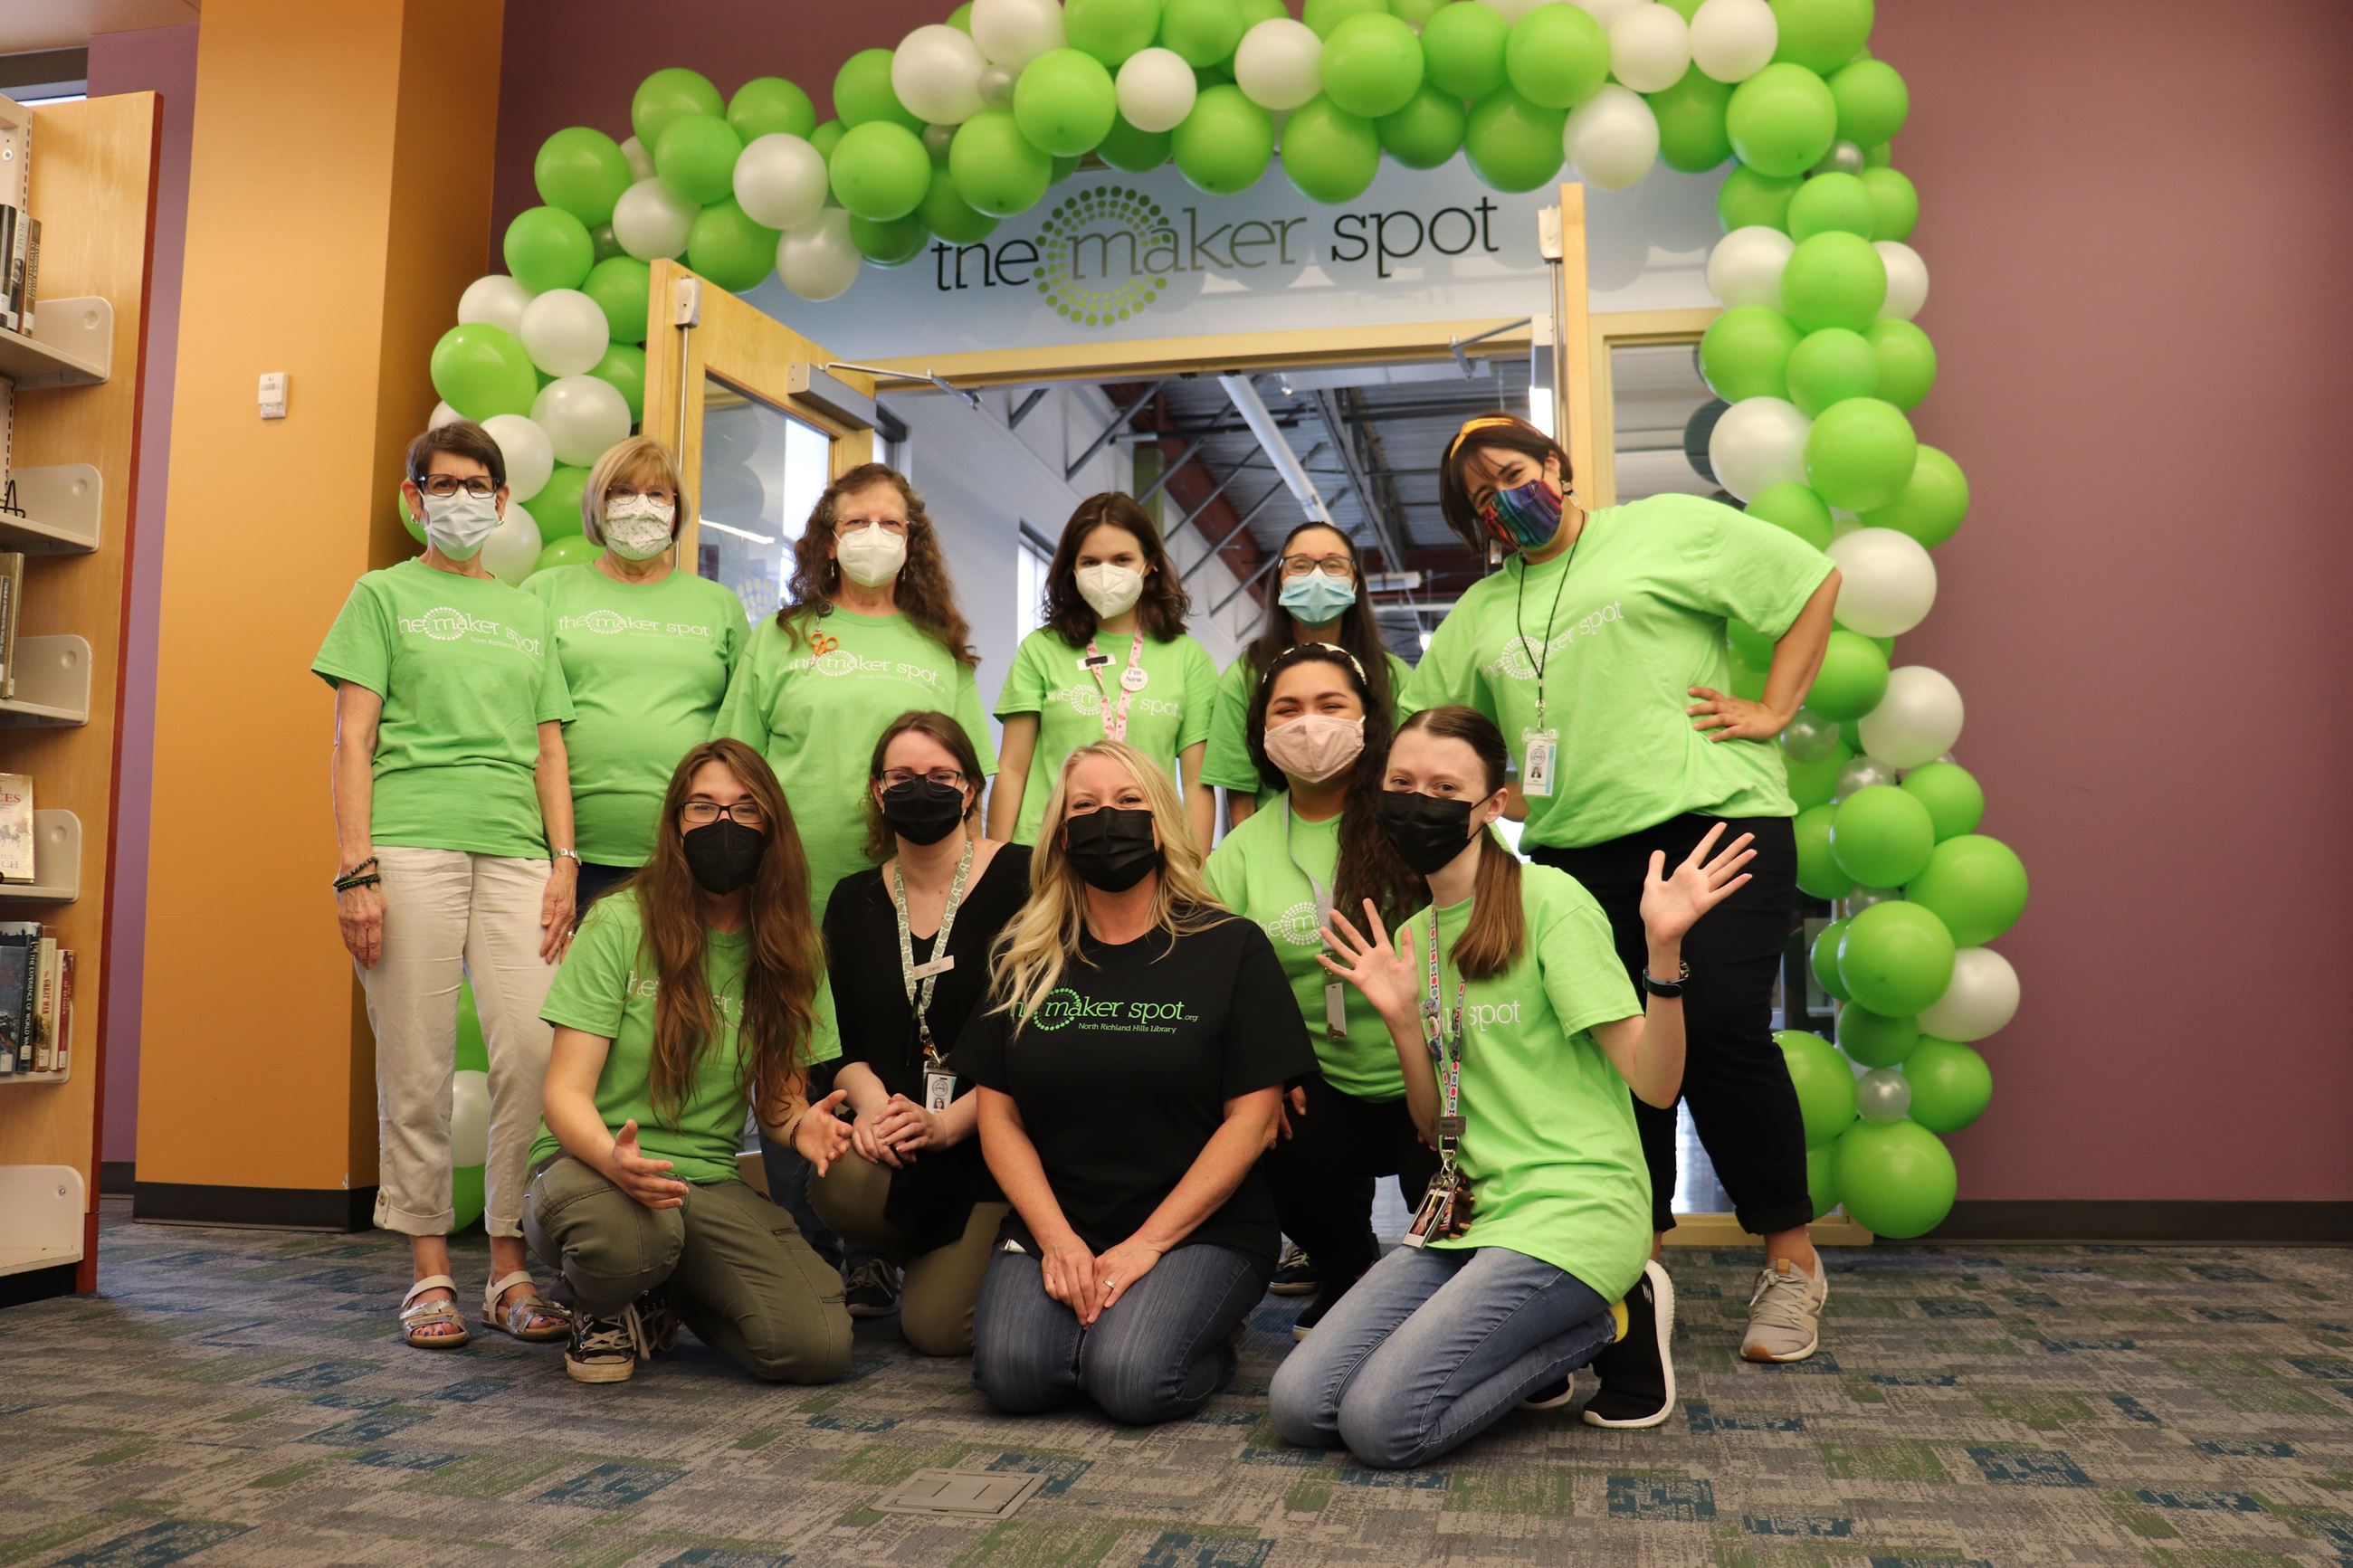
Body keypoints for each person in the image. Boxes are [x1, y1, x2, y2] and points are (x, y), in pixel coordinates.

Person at [1409, 413, 1842, 1383]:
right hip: (1569, 852)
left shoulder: (1659, 530)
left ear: (1557, 466)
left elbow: (1810, 579)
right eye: (1480, 498)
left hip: (1712, 818)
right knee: (1607, 1052)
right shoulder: (1482, 607)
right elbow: (1433, 721)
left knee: (1720, 1026)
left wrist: (1774, 707)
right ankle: (1628, 1262)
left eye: (1512, 474)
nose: (1502, 500)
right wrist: (1482, 787)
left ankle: (1789, 1257)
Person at [1270, 707, 1757, 1466]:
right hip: (1469, 1209)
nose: (1418, 801)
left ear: (1492, 805)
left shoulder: (1550, 901)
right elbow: (1433, 1126)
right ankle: (1534, 1344)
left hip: (1572, 1207)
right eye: (1401, 783)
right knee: (1300, 1406)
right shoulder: (1413, 938)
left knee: (1379, 1425)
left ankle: (1617, 1317)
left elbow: (1656, 1087)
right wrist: (1402, 1022)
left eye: (1443, 786)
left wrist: (1665, 953)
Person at [314, 420, 577, 1350]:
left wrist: (565, 862)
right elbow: (352, 738)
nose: (460, 497)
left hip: (516, 852)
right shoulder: (381, 595)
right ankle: (430, 1267)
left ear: (505, 502)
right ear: (413, 493)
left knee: (535, 1052)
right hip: (409, 845)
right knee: (417, 1060)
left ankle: (508, 1260)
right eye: (442, 482)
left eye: (477, 484)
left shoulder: (530, 609)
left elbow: (551, 747)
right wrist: (357, 870)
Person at [957, 740, 1311, 1425]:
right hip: (1061, 1218)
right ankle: (1114, 1326)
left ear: (1162, 824)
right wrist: (1056, 1239)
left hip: (1199, 1226)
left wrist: (1148, 1243)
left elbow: (1253, 1119)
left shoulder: (1230, 946)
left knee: (1130, 1379)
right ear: (1060, 831)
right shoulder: (1023, 953)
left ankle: (1198, 1331)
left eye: (1128, 803)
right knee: (1012, 1375)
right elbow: (999, 1118)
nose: (1105, 819)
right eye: (1084, 806)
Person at [526, 739, 856, 1385]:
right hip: (590, 1167)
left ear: (773, 827)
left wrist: (799, 1126)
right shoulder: (621, 922)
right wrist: (613, 1157)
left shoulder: (794, 946)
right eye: (703, 807)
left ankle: (664, 1290)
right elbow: (564, 1093)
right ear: (676, 822)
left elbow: (780, 1100)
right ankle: (600, 1301)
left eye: (744, 808)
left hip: (701, 1180)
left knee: (814, 1346)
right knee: (626, 1238)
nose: (722, 825)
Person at [1201, 643, 1428, 1341]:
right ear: (1262, 734)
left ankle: (1437, 1280)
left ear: (1369, 720)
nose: (1309, 725)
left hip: (1434, 1070)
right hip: (1317, 1079)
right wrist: (1265, 1071)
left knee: (1454, 1219)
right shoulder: (1240, 851)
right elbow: (1218, 984)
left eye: (1331, 706)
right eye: (1287, 709)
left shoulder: (1413, 820)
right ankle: (1349, 1269)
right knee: (1265, 1126)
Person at [807, 711, 1027, 1355]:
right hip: (897, 1137)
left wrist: (948, 1125)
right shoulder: (852, 899)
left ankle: (1000, 1246)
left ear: (970, 788)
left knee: (936, 1331)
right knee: (837, 1179)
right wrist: (873, 1109)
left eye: (940, 775)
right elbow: (836, 1039)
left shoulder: (1027, 877)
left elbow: (1041, 1037)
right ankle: (917, 1252)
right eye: (902, 776)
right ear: (878, 790)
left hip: (996, 1135)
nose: (920, 788)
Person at [713, 462, 996, 924]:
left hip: (913, 890)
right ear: (830, 541)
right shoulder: (780, 636)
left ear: (910, 542)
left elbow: (971, 784)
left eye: (890, 523)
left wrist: (969, 889)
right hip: (787, 883)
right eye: (857, 522)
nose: (874, 534)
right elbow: (735, 765)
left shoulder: (940, 645)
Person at [528, 436, 750, 911]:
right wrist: (560, 854)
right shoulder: (544, 594)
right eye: (622, 492)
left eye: (657, 495)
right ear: (597, 503)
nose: (640, 507)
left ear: (677, 509)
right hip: (562, 856)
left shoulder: (719, 606)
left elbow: (742, 731)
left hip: (691, 856)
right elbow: (516, 719)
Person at [988, 494, 1218, 853]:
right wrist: (996, 861)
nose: (1106, 572)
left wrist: (1194, 872)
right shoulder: (1041, 649)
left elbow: (1196, 784)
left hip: (1147, 851)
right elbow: (1013, 768)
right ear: (1072, 570)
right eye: (1091, 561)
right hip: (1046, 851)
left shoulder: (1187, 658)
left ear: (1150, 564)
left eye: (1122, 559)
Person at [1200, 520, 1413, 832]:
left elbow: (1410, 775)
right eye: (1300, 565)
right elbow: (1240, 793)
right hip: (1274, 843)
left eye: (1333, 565)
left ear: (1355, 580)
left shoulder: (1392, 676)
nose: (1316, 576)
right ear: (1280, 580)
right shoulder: (1246, 677)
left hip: (1370, 841)